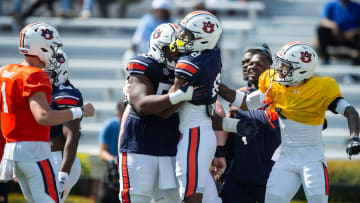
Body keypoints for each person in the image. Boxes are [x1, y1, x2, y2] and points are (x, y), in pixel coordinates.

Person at [224, 41, 360, 203]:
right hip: (286, 158)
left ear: (301, 70)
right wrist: (215, 84)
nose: (279, 69)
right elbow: (245, 103)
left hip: (312, 159)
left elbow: (350, 111)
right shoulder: (275, 85)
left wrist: (354, 137)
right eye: (280, 64)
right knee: (273, 199)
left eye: (285, 66)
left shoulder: (322, 87)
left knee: (317, 199)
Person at [0, 22, 94, 203]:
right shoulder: (36, 75)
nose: (54, 52)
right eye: (52, 47)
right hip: (34, 150)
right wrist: (79, 111)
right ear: (41, 47)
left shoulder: (5, 71)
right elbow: (43, 116)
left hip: (13, 152)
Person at [118, 23, 193, 203]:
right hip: (140, 145)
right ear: (160, 46)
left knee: (170, 200)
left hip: (170, 147)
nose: (179, 54)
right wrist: (180, 95)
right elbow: (143, 105)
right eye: (174, 49)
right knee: (136, 198)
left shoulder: (188, 70)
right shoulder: (144, 64)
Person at [169, 10, 224, 203]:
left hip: (194, 134)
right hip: (202, 130)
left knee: (191, 196)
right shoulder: (212, 54)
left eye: (188, 34)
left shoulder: (189, 62)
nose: (181, 37)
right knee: (208, 197)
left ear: (201, 39)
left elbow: (168, 104)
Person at [219, 44, 281, 203]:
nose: (248, 66)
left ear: (270, 67)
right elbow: (230, 136)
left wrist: (242, 110)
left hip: (270, 177)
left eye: (256, 63)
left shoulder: (279, 94)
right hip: (238, 177)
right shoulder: (237, 95)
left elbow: (270, 123)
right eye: (245, 63)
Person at [48, 49, 84, 202]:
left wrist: (63, 173)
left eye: (46, 72)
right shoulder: (42, 90)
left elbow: (72, 134)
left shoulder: (65, 93)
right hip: (43, 156)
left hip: (58, 160)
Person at [98, 101, 126, 203]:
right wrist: (114, 160)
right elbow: (102, 152)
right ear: (117, 114)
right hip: (112, 171)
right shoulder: (110, 126)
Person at [317, 0, 360, 65]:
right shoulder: (331, 5)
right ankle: (325, 58)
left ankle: (357, 61)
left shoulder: (357, 7)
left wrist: (354, 31)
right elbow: (324, 21)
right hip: (335, 36)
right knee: (321, 29)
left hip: (352, 38)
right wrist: (333, 26)